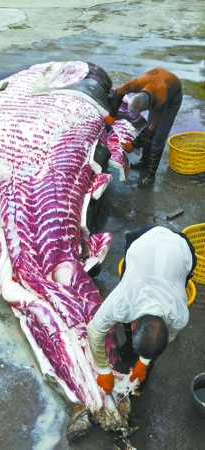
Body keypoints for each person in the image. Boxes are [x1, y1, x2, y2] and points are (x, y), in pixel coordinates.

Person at [87, 226, 196, 395]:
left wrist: (143, 362)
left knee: (183, 273)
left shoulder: (179, 315)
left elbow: (168, 336)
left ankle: (140, 355)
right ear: (132, 325)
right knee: (126, 276)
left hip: (180, 247)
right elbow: (94, 330)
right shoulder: (122, 301)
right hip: (145, 238)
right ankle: (131, 346)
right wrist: (104, 371)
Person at [104, 68, 182, 187]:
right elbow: (118, 92)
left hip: (172, 98)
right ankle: (145, 161)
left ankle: (151, 174)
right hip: (156, 84)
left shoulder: (160, 100)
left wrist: (133, 145)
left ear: (149, 105)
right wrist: (112, 114)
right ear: (136, 93)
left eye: (144, 110)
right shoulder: (136, 84)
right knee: (149, 126)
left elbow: (151, 129)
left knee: (158, 137)